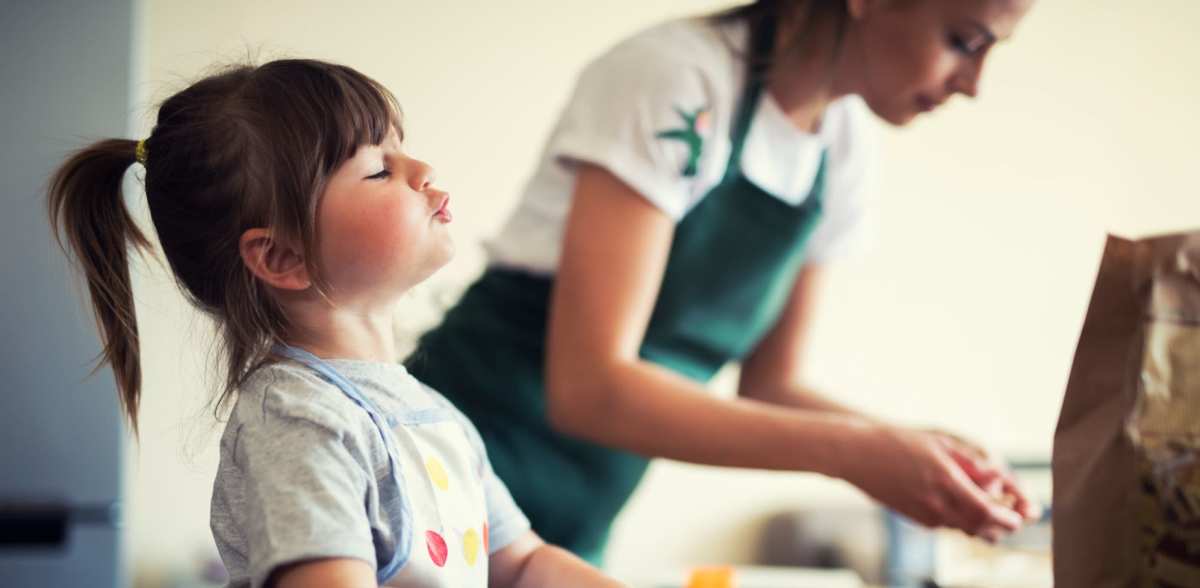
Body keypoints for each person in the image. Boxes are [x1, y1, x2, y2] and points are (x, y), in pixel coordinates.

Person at [407, 0, 1040, 564]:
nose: (975, 85)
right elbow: (590, 388)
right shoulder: (676, 79)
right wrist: (857, 453)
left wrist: (911, 449)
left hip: (575, 524)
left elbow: (773, 385)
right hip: (447, 480)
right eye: (964, 40)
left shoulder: (842, 147)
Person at [46, 59, 620, 588]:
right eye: (377, 170)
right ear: (282, 258)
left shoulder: (431, 415)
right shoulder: (299, 418)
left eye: (404, 150)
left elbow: (521, 565)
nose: (422, 170)